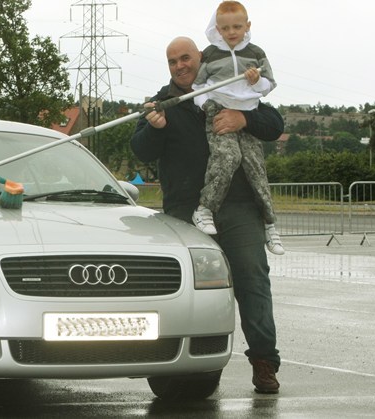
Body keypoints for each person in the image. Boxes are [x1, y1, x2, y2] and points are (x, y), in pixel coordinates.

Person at [130, 36, 283, 394]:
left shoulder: (229, 89)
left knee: (253, 284)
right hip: (186, 214)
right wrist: (155, 127)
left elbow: (274, 123)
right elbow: (140, 150)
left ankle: (264, 363)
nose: (180, 66)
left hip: (239, 206)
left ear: (200, 58)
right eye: (172, 62)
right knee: (189, 293)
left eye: (186, 58)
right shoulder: (162, 104)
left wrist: (243, 118)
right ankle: (187, 368)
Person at [190, 1, 284, 255]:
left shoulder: (255, 52)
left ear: (247, 26)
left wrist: (257, 82)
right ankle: (204, 209)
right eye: (226, 28)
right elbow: (198, 86)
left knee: (255, 167)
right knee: (228, 157)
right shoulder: (209, 54)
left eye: (237, 27)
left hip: (249, 112)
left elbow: (269, 85)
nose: (232, 32)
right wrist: (205, 105)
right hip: (218, 111)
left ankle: (270, 225)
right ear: (217, 29)